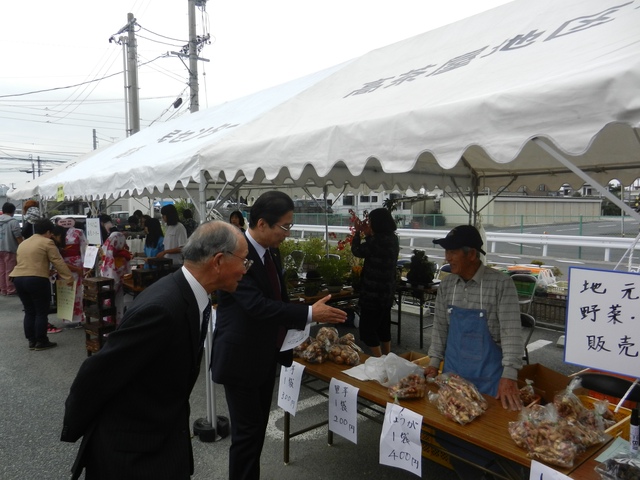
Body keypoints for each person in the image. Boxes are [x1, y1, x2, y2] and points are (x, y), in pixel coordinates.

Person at [61, 221, 248, 480]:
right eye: (244, 261)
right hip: (133, 455)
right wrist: (77, 430)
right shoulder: (163, 308)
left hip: (161, 440)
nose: (244, 270)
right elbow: (97, 373)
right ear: (217, 261)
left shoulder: (190, 295)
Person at [211, 191, 347, 480]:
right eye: (284, 226)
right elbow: (256, 305)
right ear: (262, 224)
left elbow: (278, 298)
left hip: (264, 356)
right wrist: (310, 314)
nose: (288, 233)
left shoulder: (272, 251)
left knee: (256, 431)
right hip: (240, 360)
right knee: (247, 437)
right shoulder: (237, 253)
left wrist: (297, 333)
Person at [425, 224, 524, 479]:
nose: (447, 258)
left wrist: (510, 375)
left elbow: (512, 333)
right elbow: (439, 329)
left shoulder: (501, 285)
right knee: (449, 433)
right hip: (454, 377)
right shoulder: (447, 287)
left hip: (489, 380)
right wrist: (433, 363)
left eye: (452, 252)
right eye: (446, 252)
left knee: (486, 437)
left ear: (472, 255)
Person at [10, 219, 74, 351]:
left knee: (29, 311)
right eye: (51, 233)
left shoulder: (24, 242)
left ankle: (31, 341)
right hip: (36, 280)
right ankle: (41, 341)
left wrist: (46, 270)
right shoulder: (47, 242)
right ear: (48, 231)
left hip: (18, 278)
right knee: (41, 312)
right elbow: (58, 262)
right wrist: (69, 278)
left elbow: (27, 262)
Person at [350, 208, 400, 357]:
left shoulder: (377, 241)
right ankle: (388, 356)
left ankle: (380, 360)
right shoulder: (392, 238)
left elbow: (357, 251)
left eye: (371, 221)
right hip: (387, 291)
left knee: (367, 330)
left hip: (373, 293)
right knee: (383, 325)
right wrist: (368, 234)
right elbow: (375, 248)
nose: (369, 223)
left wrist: (358, 233)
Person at [52, 222, 87, 326]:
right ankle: (68, 318)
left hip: (74, 262)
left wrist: (85, 264)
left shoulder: (78, 232)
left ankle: (76, 318)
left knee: (77, 291)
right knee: (65, 290)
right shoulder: (58, 233)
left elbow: (83, 248)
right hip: (67, 263)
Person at [99, 231, 132, 323]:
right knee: (117, 299)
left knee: (109, 299)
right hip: (118, 274)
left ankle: (109, 322)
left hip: (110, 274)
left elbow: (105, 257)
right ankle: (117, 321)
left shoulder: (109, 250)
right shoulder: (123, 253)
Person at [0, 202, 23, 296]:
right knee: (10, 270)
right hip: (10, 248)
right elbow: (18, 236)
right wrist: (22, 246)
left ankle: (3, 289)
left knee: (1, 270)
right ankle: (11, 290)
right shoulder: (13, 222)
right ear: (13, 211)